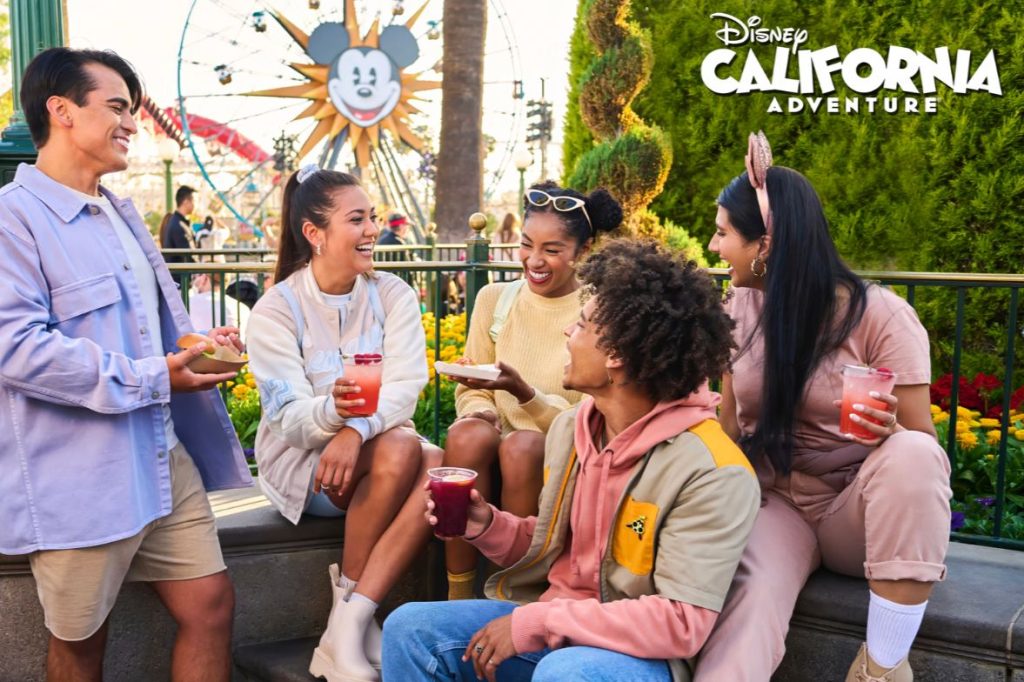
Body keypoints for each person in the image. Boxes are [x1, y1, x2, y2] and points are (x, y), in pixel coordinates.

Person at [382, 239, 761, 682]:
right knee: (409, 628)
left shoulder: (713, 472)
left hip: (637, 657)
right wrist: (484, 525)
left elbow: (680, 623)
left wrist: (538, 623)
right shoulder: (572, 430)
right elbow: (552, 547)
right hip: (558, 627)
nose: (567, 333)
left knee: (567, 673)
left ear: (616, 355)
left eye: (580, 325)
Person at [0, 48, 253, 682]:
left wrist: (198, 344)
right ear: (61, 111)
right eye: (117, 107)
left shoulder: (120, 211)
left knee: (212, 605)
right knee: (82, 643)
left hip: (162, 456)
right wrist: (154, 376)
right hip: (80, 479)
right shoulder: (13, 219)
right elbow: (16, 349)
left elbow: (148, 327)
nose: (132, 124)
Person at [694, 132, 952, 682]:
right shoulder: (736, 309)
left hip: (854, 512)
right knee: (750, 605)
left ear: (765, 244)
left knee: (911, 453)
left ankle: (881, 668)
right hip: (777, 503)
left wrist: (887, 433)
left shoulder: (881, 315)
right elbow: (730, 425)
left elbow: (922, 440)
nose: (713, 247)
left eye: (722, 234)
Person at [246, 164, 441, 682]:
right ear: (314, 234)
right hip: (303, 467)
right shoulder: (275, 310)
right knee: (404, 449)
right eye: (357, 219)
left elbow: (407, 386)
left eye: (372, 217)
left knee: (437, 464)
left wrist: (356, 431)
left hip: (370, 452)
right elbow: (289, 419)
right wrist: (335, 415)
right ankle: (353, 623)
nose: (372, 229)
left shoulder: (392, 293)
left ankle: (348, 620)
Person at [439, 181, 620, 601]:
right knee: (466, 433)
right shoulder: (494, 299)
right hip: (500, 444)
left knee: (521, 445)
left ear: (584, 250)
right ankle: (458, 593)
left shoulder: (599, 311)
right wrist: (478, 407)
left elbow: (591, 416)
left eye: (552, 250)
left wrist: (524, 394)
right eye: (526, 245)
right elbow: (475, 389)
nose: (534, 261)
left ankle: (516, 594)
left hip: (565, 451)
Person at [188, 272, 251, 342]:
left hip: (197, 350)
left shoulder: (188, 303)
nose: (192, 283)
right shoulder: (243, 308)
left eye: (194, 278)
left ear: (204, 277)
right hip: (231, 351)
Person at [160, 184, 197, 262]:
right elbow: (186, 255)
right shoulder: (178, 225)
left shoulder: (178, 222)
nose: (194, 204)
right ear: (186, 202)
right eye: (193, 201)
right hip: (181, 274)